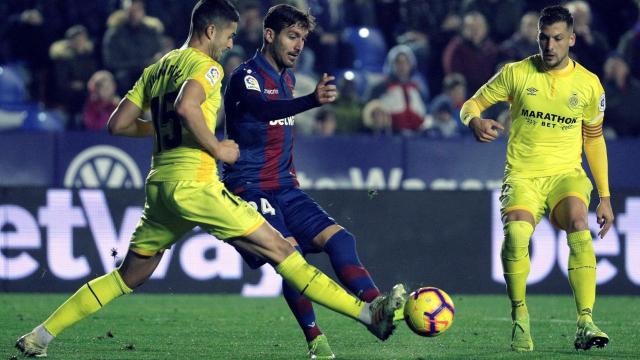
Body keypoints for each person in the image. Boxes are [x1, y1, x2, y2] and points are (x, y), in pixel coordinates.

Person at [15, 1, 405, 357]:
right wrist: (216, 148)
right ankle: (368, 314)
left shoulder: (158, 66)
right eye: (230, 35)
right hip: (196, 185)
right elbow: (187, 105)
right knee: (284, 252)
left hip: (160, 187)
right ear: (210, 32)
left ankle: (41, 336)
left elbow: (117, 124)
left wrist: (169, 131)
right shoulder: (209, 66)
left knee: (128, 276)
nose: (230, 42)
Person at [222, 5, 405, 359]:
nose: (298, 46)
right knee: (292, 256)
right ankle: (316, 340)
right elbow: (262, 109)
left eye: (303, 39)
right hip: (250, 186)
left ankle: (377, 307)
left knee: (340, 239)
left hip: (285, 187)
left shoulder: (287, 79)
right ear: (270, 35)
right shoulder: (246, 76)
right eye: (292, 36)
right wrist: (310, 101)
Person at [460, 5, 613, 352]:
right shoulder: (516, 73)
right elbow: (471, 104)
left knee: (579, 221)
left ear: (571, 39)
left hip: (565, 176)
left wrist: (604, 196)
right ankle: (520, 317)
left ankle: (586, 321)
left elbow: (594, 139)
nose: (550, 45)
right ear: (537, 37)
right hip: (523, 176)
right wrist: (474, 121)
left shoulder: (589, 85)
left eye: (558, 38)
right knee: (515, 234)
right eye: (544, 38)